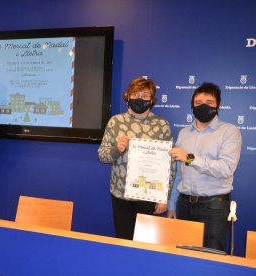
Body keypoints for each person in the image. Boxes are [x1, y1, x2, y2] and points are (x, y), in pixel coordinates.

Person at [98, 77, 176, 240]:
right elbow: (102, 156)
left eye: (145, 95)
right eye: (135, 94)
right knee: (124, 240)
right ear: (128, 96)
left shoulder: (162, 124)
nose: (139, 98)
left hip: (149, 195)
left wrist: (164, 197)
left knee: (146, 243)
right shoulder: (116, 122)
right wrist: (116, 150)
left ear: (152, 99)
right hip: (121, 196)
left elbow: (170, 164)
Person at [168, 82, 242, 252]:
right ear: (192, 106)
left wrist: (190, 158)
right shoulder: (184, 133)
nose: (203, 107)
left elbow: (226, 168)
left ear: (218, 105)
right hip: (184, 204)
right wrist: (172, 203)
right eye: (198, 103)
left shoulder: (229, 132)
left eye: (209, 102)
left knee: (212, 258)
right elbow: (180, 173)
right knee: (183, 255)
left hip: (214, 208)